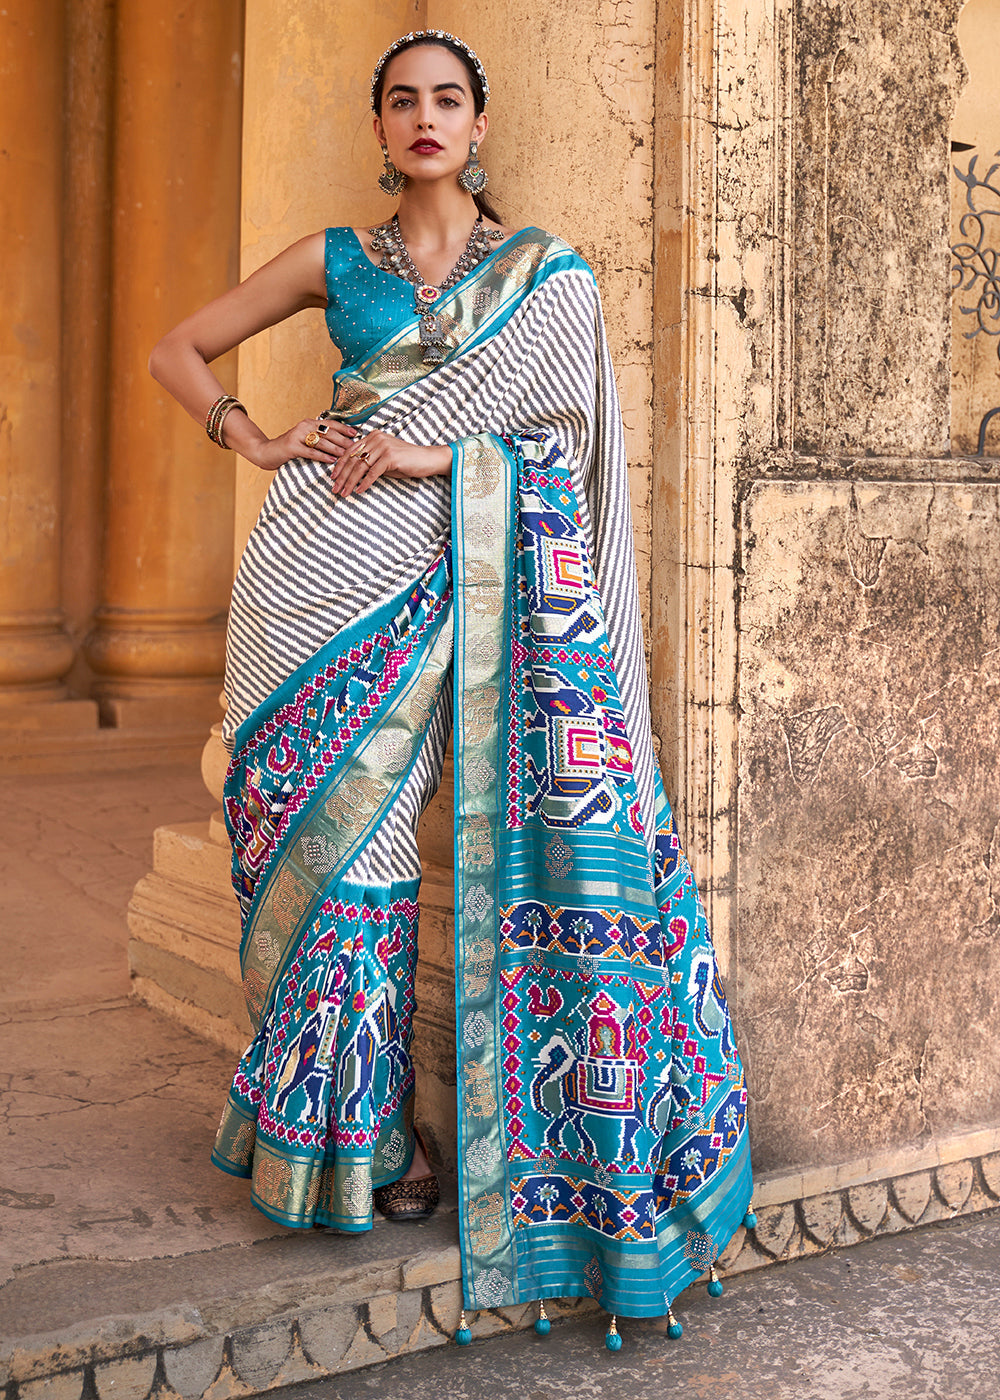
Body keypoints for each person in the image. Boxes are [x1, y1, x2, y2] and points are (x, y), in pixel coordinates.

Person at [148, 29, 754, 1348]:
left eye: (447, 99)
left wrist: (439, 456)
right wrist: (254, 439)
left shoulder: (546, 278)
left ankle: (368, 1137)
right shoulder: (333, 260)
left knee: (372, 856)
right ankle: (341, 1140)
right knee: (308, 857)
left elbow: (570, 444)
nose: (424, 117)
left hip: (445, 583)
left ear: (479, 124)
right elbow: (178, 350)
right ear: (380, 126)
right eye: (402, 100)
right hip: (304, 579)